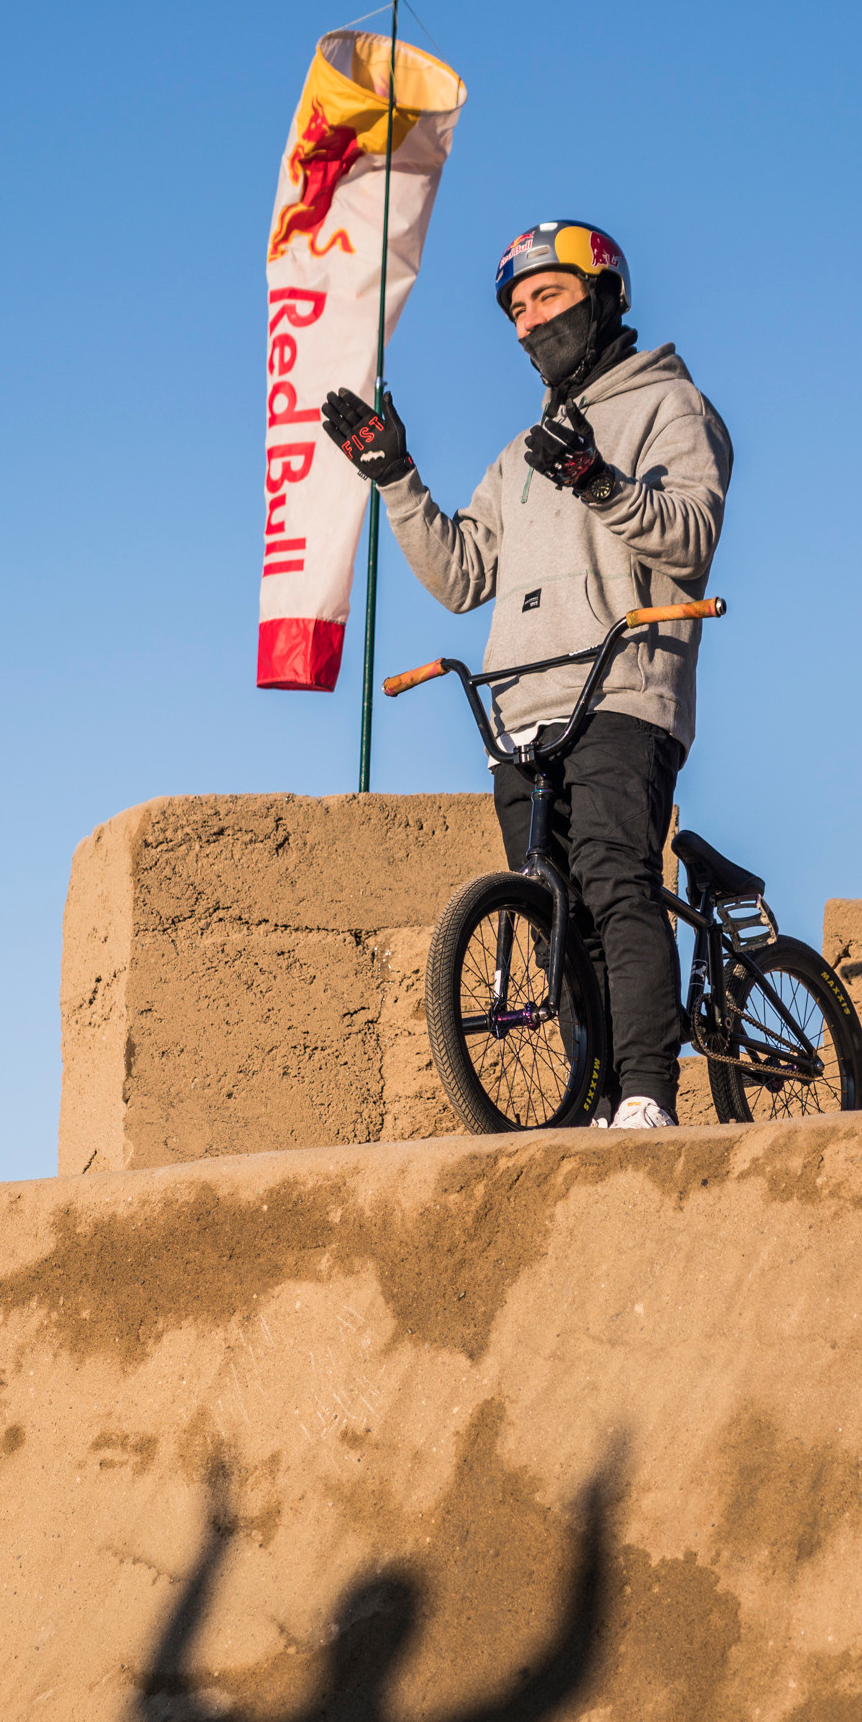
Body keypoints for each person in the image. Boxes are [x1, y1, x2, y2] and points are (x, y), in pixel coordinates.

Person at [322, 222, 732, 1129]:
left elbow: (689, 537)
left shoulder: (672, 406)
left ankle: (645, 1097)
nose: (527, 323)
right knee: (558, 911)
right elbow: (464, 574)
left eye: (546, 298)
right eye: (514, 309)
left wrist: (599, 482)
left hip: (622, 685)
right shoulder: (522, 450)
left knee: (614, 880)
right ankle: (588, 1100)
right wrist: (394, 477)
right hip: (523, 706)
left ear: (605, 295)